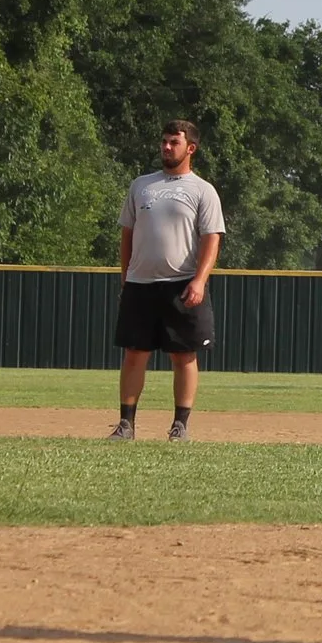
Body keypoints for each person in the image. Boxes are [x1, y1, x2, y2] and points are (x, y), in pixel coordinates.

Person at [111, 119, 225, 442]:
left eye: (173, 142)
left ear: (191, 148)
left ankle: (180, 426)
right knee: (134, 353)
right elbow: (127, 235)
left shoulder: (202, 190)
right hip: (140, 284)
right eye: (163, 141)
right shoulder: (142, 186)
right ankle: (126, 425)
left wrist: (200, 281)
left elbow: (211, 239)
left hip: (182, 283)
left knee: (184, 355)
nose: (165, 147)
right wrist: (126, 278)